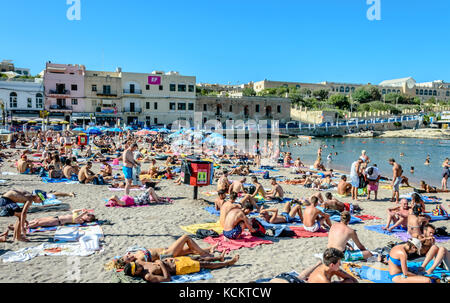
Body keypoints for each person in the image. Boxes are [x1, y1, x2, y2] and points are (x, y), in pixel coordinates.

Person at [112, 235, 220, 268]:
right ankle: (205, 253)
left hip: (166, 250)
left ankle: (209, 249)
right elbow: (152, 264)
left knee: (190, 249)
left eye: (127, 256)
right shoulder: (138, 261)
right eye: (127, 258)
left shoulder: (134, 254)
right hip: (167, 254)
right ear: (128, 263)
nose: (128, 256)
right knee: (186, 237)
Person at [123, 254, 240, 283]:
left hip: (173, 261)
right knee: (204, 264)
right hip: (179, 268)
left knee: (197, 258)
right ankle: (228, 263)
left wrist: (165, 260)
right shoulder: (148, 276)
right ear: (136, 272)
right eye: (136, 266)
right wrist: (162, 264)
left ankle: (219, 257)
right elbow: (167, 278)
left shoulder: (141, 264)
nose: (138, 264)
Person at [27, 209, 96, 228]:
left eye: (88, 216)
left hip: (58, 221)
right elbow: (73, 211)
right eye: (88, 214)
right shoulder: (79, 215)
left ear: (88, 219)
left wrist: (83, 214)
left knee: (38, 223)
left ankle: (25, 227)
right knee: (37, 220)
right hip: (57, 217)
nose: (87, 215)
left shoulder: (81, 221)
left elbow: (75, 219)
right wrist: (81, 209)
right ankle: (24, 223)